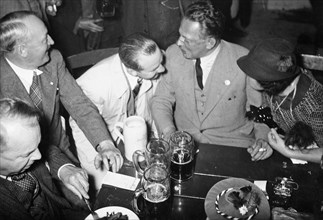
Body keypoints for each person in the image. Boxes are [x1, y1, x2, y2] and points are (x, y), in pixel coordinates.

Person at [0, 11, 123, 205]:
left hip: (61, 149)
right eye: (43, 39)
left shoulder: (54, 59)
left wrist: (105, 143)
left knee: (86, 202)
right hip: (28, 168)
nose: (51, 41)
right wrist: (61, 168)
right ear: (22, 50)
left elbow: (78, 103)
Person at [150, 1, 268, 149]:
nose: (179, 42)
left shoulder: (244, 60)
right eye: (180, 34)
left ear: (210, 43)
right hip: (183, 144)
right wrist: (169, 132)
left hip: (232, 144)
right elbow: (161, 100)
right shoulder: (173, 53)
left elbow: (261, 110)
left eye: (187, 40)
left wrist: (263, 140)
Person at [69, 32, 165, 192]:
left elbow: (153, 104)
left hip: (137, 133)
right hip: (103, 137)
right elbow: (81, 125)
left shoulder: (151, 62)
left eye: (160, 61)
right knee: (109, 191)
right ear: (133, 71)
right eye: (155, 68)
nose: (162, 69)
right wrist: (99, 167)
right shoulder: (93, 85)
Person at [0, 98, 89, 220]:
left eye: (37, 145)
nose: (39, 156)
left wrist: (64, 169)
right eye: (28, 154)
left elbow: (49, 149)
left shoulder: (27, 149)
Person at [237, 38, 323, 164]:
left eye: (252, 72)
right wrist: (264, 141)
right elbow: (268, 117)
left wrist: (288, 152)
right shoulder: (275, 87)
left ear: (269, 81)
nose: (247, 74)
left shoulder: (314, 106)